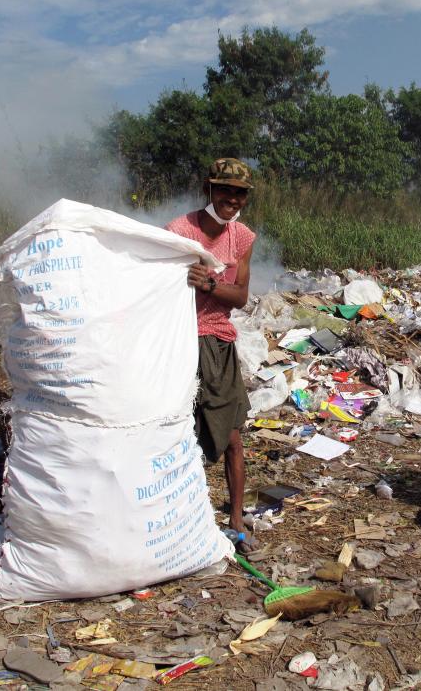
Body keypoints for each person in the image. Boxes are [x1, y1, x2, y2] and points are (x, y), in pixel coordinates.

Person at [166, 158, 258, 552]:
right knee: (181, 432)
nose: (231, 200)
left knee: (233, 435)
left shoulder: (242, 238)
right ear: (210, 189)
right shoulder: (179, 232)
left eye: (239, 193)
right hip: (181, 339)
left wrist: (209, 286)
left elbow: (240, 296)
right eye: (225, 191)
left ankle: (236, 519)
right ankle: (183, 515)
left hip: (218, 342)